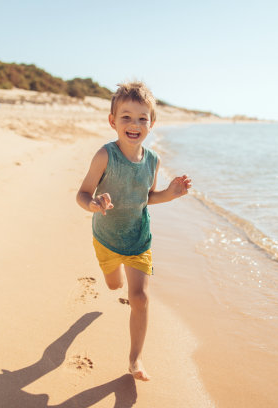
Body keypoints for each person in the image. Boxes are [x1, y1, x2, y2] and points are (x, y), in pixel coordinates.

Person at [76, 81, 192, 381]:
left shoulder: (153, 161)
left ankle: (135, 359)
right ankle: (110, 276)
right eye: (126, 117)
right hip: (106, 238)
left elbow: (147, 198)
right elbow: (83, 193)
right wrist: (94, 205)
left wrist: (171, 192)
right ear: (113, 121)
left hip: (139, 240)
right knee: (114, 287)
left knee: (139, 298)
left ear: (152, 124)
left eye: (142, 118)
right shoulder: (105, 156)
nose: (134, 124)